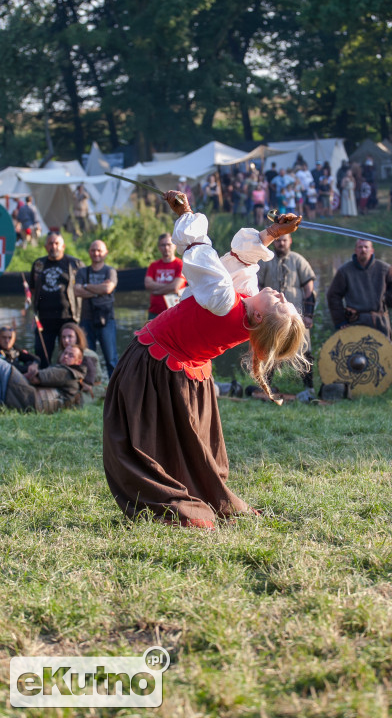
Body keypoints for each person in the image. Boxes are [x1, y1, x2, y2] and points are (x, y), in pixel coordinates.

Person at [103, 191, 307, 531]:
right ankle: (202, 503)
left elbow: (200, 254)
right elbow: (235, 263)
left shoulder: (225, 299)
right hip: (184, 373)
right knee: (189, 448)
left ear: (260, 317)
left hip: (155, 361)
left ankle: (178, 506)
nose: (281, 295)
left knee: (146, 443)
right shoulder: (240, 306)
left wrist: (186, 213)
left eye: (280, 304)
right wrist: (271, 233)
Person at [257, 233, 316, 397]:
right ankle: (266, 387)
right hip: (272, 317)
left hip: (296, 317)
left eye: (284, 240)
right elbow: (257, 287)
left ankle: (309, 388)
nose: (281, 243)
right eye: (278, 241)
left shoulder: (298, 260)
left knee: (304, 350)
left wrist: (309, 315)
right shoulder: (266, 261)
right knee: (269, 352)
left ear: (290, 241)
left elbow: (309, 291)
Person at [327, 239, 392, 339]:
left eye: (366, 247)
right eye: (360, 247)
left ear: (372, 250)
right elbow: (333, 295)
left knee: (384, 353)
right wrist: (340, 320)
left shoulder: (384, 268)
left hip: (379, 321)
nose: (363, 250)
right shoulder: (345, 271)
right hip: (356, 321)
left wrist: (386, 301)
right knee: (357, 353)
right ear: (355, 250)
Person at [28, 231, 85, 368]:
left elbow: (83, 289)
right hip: (44, 319)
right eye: (50, 243)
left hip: (68, 318)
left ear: (63, 246)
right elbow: (33, 289)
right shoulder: (38, 264)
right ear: (45, 246)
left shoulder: (75, 264)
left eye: (57, 243)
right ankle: (44, 381)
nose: (54, 246)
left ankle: (71, 383)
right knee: (41, 354)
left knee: (70, 354)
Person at [74, 240, 119, 378]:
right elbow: (76, 291)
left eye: (99, 250)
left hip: (107, 320)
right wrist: (98, 290)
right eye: (93, 250)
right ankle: (92, 387)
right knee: (88, 356)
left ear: (106, 253)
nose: (96, 253)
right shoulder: (82, 272)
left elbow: (108, 288)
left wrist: (86, 286)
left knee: (111, 358)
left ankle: (114, 387)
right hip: (86, 319)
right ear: (89, 252)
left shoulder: (110, 271)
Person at [0, 344, 86, 413]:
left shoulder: (65, 372)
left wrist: (23, 373)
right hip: (30, 401)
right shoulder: (76, 378)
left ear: (78, 362)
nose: (66, 356)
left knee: (3, 365)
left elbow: (35, 378)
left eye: (71, 355)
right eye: (65, 353)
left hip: (30, 399)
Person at [144, 233, 187, 319]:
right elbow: (148, 284)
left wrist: (157, 291)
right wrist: (169, 287)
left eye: (169, 244)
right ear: (159, 247)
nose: (166, 248)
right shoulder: (154, 265)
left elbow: (175, 287)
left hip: (175, 312)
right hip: (154, 313)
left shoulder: (181, 265)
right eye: (163, 245)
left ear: (175, 246)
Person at [58, 322, 102, 396]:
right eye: (64, 337)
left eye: (70, 336)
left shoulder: (88, 355)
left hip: (90, 391)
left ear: (77, 337)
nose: (66, 340)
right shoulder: (62, 353)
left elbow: (88, 384)